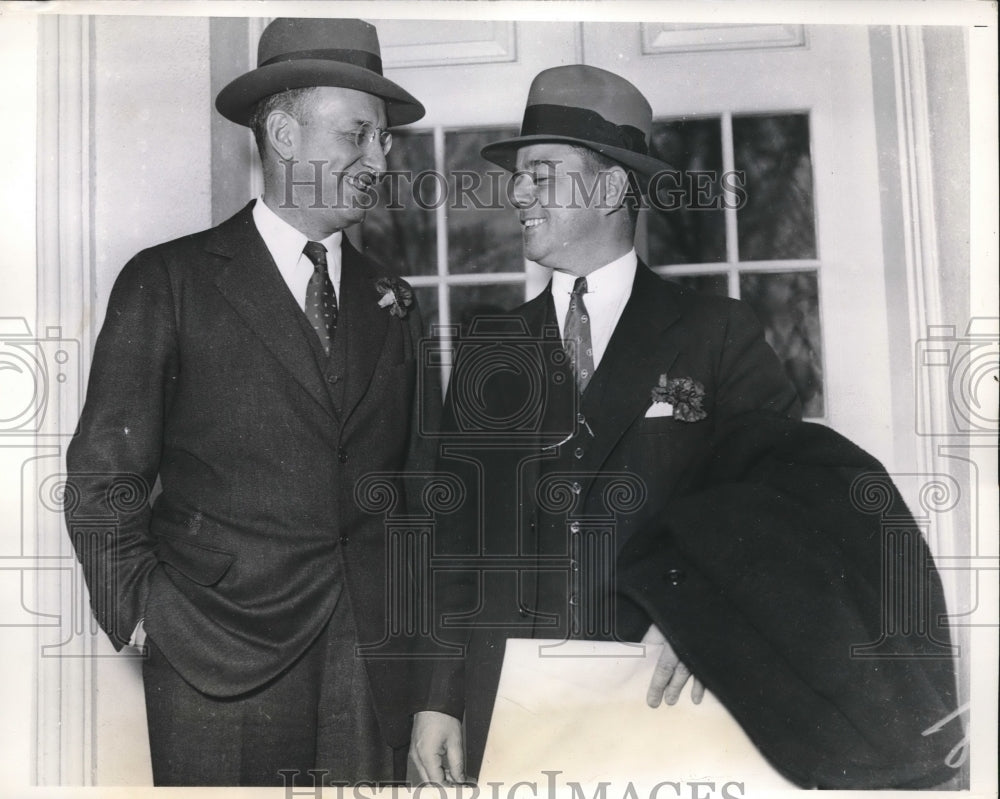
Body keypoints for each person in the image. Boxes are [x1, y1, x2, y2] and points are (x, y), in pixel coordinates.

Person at [409, 65, 961, 789]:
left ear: (611, 189)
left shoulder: (717, 332)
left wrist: (705, 611)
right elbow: (454, 537)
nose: (516, 193)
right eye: (520, 176)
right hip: (510, 701)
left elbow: (783, 506)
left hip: (669, 697)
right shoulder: (489, 346)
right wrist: (438, 700)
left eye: (540, 175)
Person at [64, 18, 436, 787]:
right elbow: (102, 476)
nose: (379, 159)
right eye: (360, 134)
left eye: (386, 141)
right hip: (212, 664)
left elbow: (420, 500)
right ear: (283, 133)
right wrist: (145, 616)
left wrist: (431, 678)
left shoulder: (394, 300)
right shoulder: (168, 281)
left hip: (368, 669)